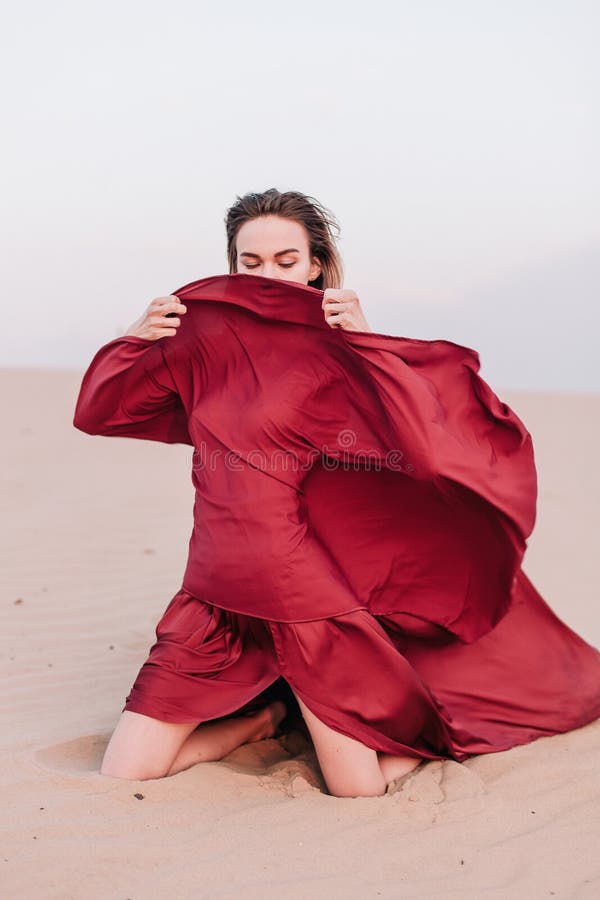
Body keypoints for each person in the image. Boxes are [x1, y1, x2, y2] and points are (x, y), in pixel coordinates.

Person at [73, 188, 600, 798]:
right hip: (210, 599)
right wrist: (135, 339)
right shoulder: (198, 341)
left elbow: (424, 448)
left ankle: (372, 727)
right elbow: (99, 412)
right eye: (251, 262)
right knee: (126, 772)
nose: (267, 274)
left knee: (359, 790)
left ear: (315, 263)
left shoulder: (334, 347)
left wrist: (369, 347)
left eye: (286, 260)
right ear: (231, 262)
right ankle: (263, 720)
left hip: (302, 601)